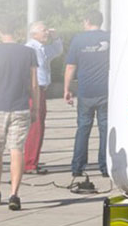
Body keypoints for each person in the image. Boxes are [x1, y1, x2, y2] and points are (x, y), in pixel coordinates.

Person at [0, 16, 39, 211]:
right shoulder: (28, 52)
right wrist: (36, 108)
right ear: (17, 31)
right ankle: (15, 194)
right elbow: (33, 85)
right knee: (17, 150)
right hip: (21, 107)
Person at [65, 10, 110, 178]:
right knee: (105, 129)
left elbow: (70, 66)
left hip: (85, 92)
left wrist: (67, 89)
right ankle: (105, 167)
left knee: (83, 128)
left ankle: (78, 167)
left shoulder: (78, 40)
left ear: (87, 21)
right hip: (105, 91)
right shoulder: (110, 38)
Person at [23, 21, 63, 174]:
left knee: (40, 126)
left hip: (41, 90)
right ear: (34, 34)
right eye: (43, 30)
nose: (46, 32)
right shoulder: (30, 48)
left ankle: (33, 160)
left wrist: (56, 37)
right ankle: (29, 163)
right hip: (34, 90)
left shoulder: (42, 48)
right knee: (35, 126)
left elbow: (57, 50)